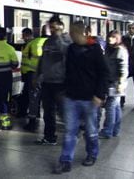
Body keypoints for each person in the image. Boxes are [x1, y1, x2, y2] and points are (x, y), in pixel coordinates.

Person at [53, 21, 109, 174]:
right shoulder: (71, 49)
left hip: (90, 99)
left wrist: (99, 95)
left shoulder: (95, 49)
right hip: (71, 97)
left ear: (80, 33)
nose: (70, 35)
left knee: (91, 131)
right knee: (70, 130)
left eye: (72, 33)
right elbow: (68, 70)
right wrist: (64, 89)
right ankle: (65, 161)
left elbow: (104, 73)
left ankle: (92, 154)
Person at [36, 17, 72, 145]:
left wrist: (58, 37)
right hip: (47, 82)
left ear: (61, 27)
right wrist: (38, 75)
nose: (51, 30)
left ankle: (71, 136)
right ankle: (49, 137)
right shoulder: (47, 42)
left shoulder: (67, 40)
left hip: (61, 83)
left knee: (64, 112)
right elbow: (42, 60)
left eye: (54, 27)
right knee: (48, 111)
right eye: (50, 27)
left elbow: (65, 51)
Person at [98, 30, 128, 139]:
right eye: (109, 37)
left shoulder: (120, 51)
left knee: (110, 107)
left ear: (117, 39)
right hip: (109, 82)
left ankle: (107, 131)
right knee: (115, 107)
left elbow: (124, 69)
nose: (110, 39)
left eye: (113, 37)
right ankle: (115, 130)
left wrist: (121, 83)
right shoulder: (108, 49)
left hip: (116, 83)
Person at [22, 27, 48, 131]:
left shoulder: (34, 43)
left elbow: (28, 60)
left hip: (34, 74)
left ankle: (33, 122)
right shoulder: (53, 43)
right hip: (49, 76)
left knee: (34, 98)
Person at [18, 27, 34, 117]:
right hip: (26, 74)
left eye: (23, 35)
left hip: (31, 74)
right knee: (27, 94)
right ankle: (26, 112)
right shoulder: (26, 45)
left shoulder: (32, 45)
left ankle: (24, 113)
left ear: (28, 35)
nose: (22, 37)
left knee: (27, 95)